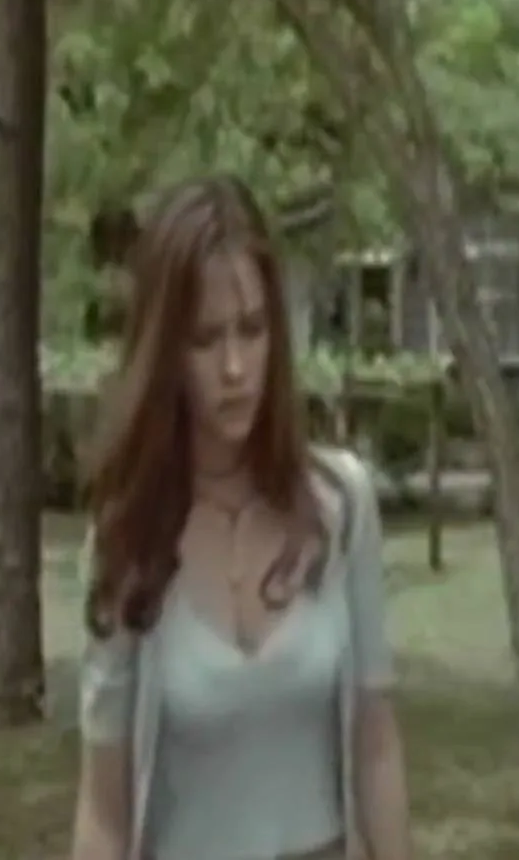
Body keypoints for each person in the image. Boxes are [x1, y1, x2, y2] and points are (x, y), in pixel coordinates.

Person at [68, 176, 413, 860]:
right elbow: (104, 808)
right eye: (205, 339)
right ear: (165, 351)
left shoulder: (339, 507)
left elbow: (376, 744)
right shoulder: (128, 540)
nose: (235, 367)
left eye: (252, 331)